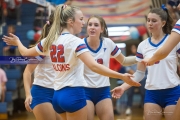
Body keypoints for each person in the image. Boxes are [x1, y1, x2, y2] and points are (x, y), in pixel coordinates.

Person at [3, 4, 140, 120]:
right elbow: (93, 66)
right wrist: (121, 76)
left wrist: (18, 42)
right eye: (81, 19)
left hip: (57, 96)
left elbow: (25, 53)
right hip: (73, 94)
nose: (83, 23)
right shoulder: (76, 42)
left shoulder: (49, 40)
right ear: (70, 21)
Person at [111, 7, 180, 120]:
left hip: (172, 91)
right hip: (152, 93)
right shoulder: (142, 46)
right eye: (148, 20)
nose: (150, 23)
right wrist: (123, 87)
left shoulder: (174, 41)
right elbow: (139, 73)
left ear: (163, 23)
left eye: (154, 21)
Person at [83, 15, 138, 120]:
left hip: (103, 90)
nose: (92, 27)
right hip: (85, 90)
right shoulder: (80, 44)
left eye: (96, 25)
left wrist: (140, 58)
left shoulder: (108, 43)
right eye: (90, 25)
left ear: (102, 29)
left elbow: (124, 60)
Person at [23, 12, 61, 120]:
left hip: (58, 92)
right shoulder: (44, 48)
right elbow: (27, 71)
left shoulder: (66, 45)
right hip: (42, 92)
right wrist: (28, 94)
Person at [125, 44, 146, 115]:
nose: (134, 49)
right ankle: (128, 107)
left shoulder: (143, 57)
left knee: (143, 92)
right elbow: (128, 69)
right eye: (132, 48)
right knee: (130, 93)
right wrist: (136, 75)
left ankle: (144, 107)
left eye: (135, 48)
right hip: (132, 77)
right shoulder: (129, 57)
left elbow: (145, 70)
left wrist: (140, 76)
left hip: (142, 78)